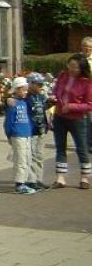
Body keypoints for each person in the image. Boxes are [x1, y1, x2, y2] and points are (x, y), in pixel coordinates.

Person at [50, 54, 92, 189]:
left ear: (81, 69)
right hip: (60, 116)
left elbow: (89, 104)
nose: (71, 69)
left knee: (82, 148)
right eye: (70, 66)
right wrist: (53, 97)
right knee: (60, 147)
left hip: (77, 119)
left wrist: (72, 107)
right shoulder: (63, 75)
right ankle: (60, 178)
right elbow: (56, 89)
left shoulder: (87, 82)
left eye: (75, 68)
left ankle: (84, 177)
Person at [4, 76, 36, 194]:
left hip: (26, 134)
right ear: (16, 90)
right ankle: (19, 184)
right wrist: (9, 135)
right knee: (21, 160)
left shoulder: (25, 102)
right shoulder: (13, 104)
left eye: (26, 89)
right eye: (23, 89)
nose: (26, 92)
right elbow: (8, 121)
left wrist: (30, 130)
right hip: (18, 134)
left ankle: (25, 181)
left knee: (27, 159)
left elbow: (29, 117)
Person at [24, 73, 51, 190]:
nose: (41, 86)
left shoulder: (40, 96)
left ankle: (38, 179)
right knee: (32, 155)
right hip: (32, 131)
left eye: (42, 84)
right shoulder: (26, 98)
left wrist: (49, 103)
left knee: (39, 155)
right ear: (30, 84)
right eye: (39, 84)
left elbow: (43, 108)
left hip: (41, 130)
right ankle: (31, 180)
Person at [82, 36, 92, 154]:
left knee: (90, 119)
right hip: (79, 94)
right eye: (85, 47)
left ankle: (89, 143)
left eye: (89, 47)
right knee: (81, 119)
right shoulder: (78, 58)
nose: (87, 49)